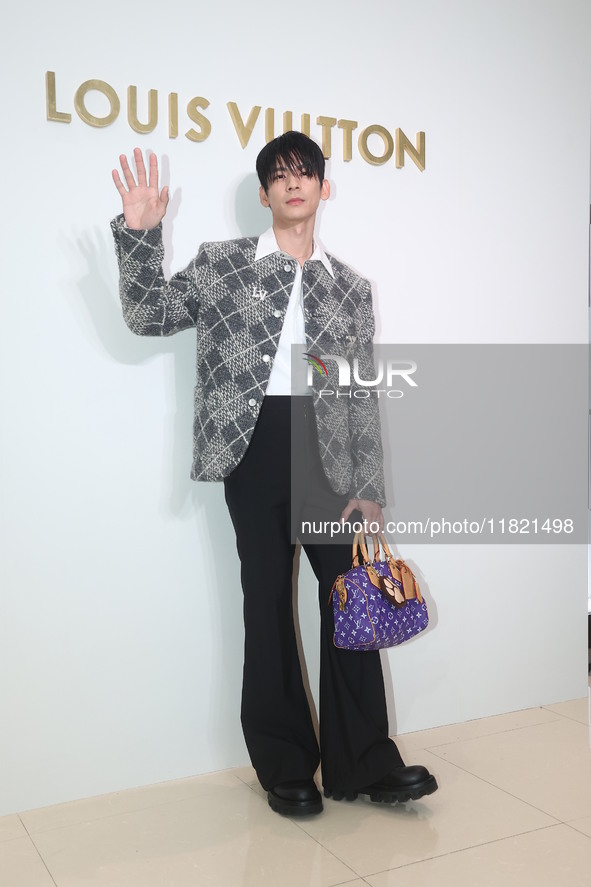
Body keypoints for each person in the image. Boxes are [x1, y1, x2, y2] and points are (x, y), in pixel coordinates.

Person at [111, 132, 437, 816]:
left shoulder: (349, 286)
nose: (293, 184)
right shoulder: (222, 264)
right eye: (279, 176)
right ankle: (284, 763)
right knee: (265, 603)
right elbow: (148, 316)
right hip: (253, 449)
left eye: (304, 173)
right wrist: (139, 234)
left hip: (329, 458)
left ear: (323, 187)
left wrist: (369, 485)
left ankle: (364, 763)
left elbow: (358, 390)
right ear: (263, 195)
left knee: (348, 600)